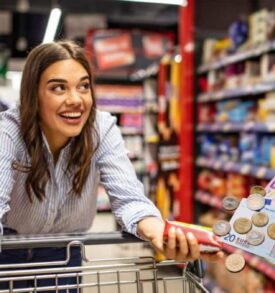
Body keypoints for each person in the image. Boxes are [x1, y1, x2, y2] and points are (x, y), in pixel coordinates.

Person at [0, 40, 223, 291]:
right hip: (8, 251)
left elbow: (128, 198)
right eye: (59, 88)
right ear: (34, 94)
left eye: (84, 86)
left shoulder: (101, 129)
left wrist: (159, 233)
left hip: (64, 254)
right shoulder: (8, 132)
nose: (76, 100)